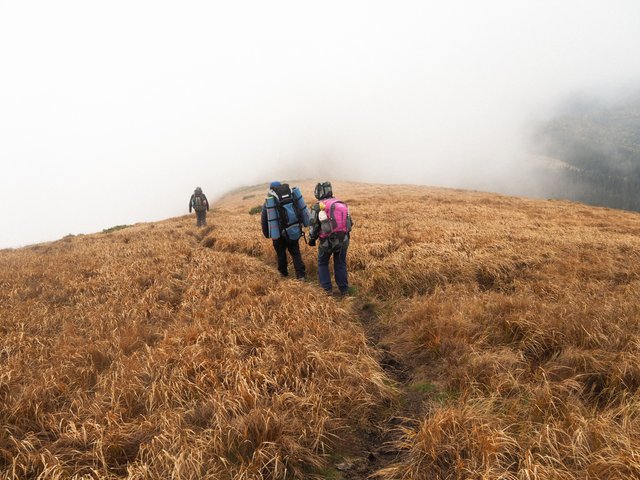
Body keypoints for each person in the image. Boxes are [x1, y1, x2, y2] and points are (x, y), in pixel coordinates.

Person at [308, 181, 353, 296]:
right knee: (340, 263)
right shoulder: (341, 203)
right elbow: (350, 224)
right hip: (344, 240)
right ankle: (344, 290)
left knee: (323, 263)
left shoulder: (318, 206)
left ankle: (327, 291)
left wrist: (312, 239)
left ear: (319, 192)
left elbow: (313, 225)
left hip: (327, 242)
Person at [261, 181, 308, 279]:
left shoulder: (269, 201)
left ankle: (283, 274)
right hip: (292, 230)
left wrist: (267, 234)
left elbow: (264, 219)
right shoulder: (290, 196)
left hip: (278, 233)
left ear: (271, 189)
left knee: (281, 254)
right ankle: (301, 275)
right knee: (295, 253)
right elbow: (300, 210)